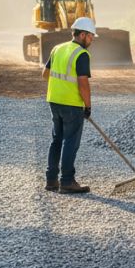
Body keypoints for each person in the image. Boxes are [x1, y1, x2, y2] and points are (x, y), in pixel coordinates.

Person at [42, 17, 98, 194]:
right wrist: (88, 106)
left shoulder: (57, 49)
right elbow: (83, 83)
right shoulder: (81, 54)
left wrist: (59, 87)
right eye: (90, 36)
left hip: (54, 100)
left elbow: (45, 74)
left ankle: (51, 180)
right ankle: (67, 181)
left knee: (57, 140)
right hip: (71, 104)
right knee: (70, 142)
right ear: (82, 35)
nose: (92, 39)